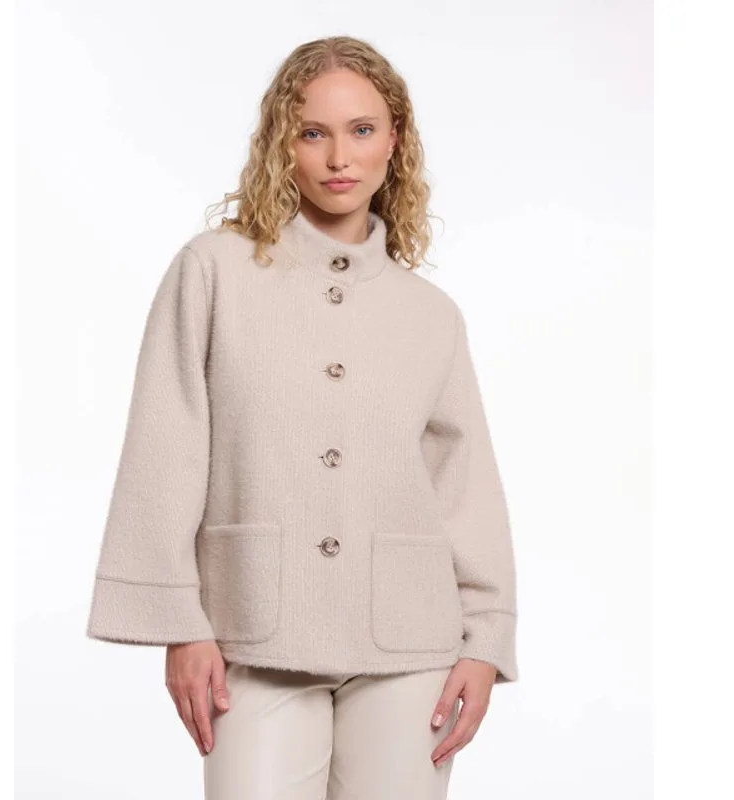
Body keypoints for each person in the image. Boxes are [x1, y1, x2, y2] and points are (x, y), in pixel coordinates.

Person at [86, 35, 519, 800]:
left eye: (361, 130)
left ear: (395, 140)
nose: (338, 157)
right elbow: (166, 447)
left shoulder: (430, 314)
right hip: (254, 627)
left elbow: (464, 484)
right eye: (312, 132)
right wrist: (181, 623)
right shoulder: (213, 271)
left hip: (411, 644)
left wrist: (486, 640)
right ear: (280, 143)